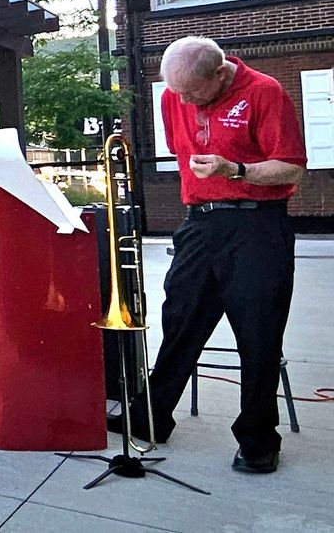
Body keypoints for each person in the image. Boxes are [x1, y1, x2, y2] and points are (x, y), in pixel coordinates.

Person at [114, 36, 306, 475]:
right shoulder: (174, 97)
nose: (180, 100)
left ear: (219, 74)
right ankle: (151, 416)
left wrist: (235, 169)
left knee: (258, 333)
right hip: (200, 221)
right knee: (180, 320)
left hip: (257, 223)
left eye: (190, 91)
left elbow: (292, 165)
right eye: (174, 91)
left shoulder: (265, 92)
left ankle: (258, 437)